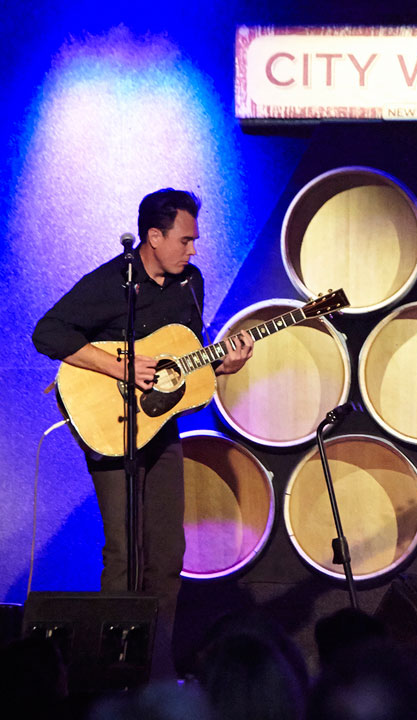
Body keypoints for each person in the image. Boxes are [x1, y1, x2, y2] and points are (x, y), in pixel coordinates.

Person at [32, 188, 254, 674]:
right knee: (124, 553)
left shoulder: (189, 283)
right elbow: (47, 333)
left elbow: (185, 361)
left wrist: (224, 364)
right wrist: (120, 366)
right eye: (184, 240)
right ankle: (109, 672)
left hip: (160, 429)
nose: (192, 250)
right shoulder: (113, 281)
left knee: (168, 553)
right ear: (153, 237)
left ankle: (155, 668)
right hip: (110, 426)